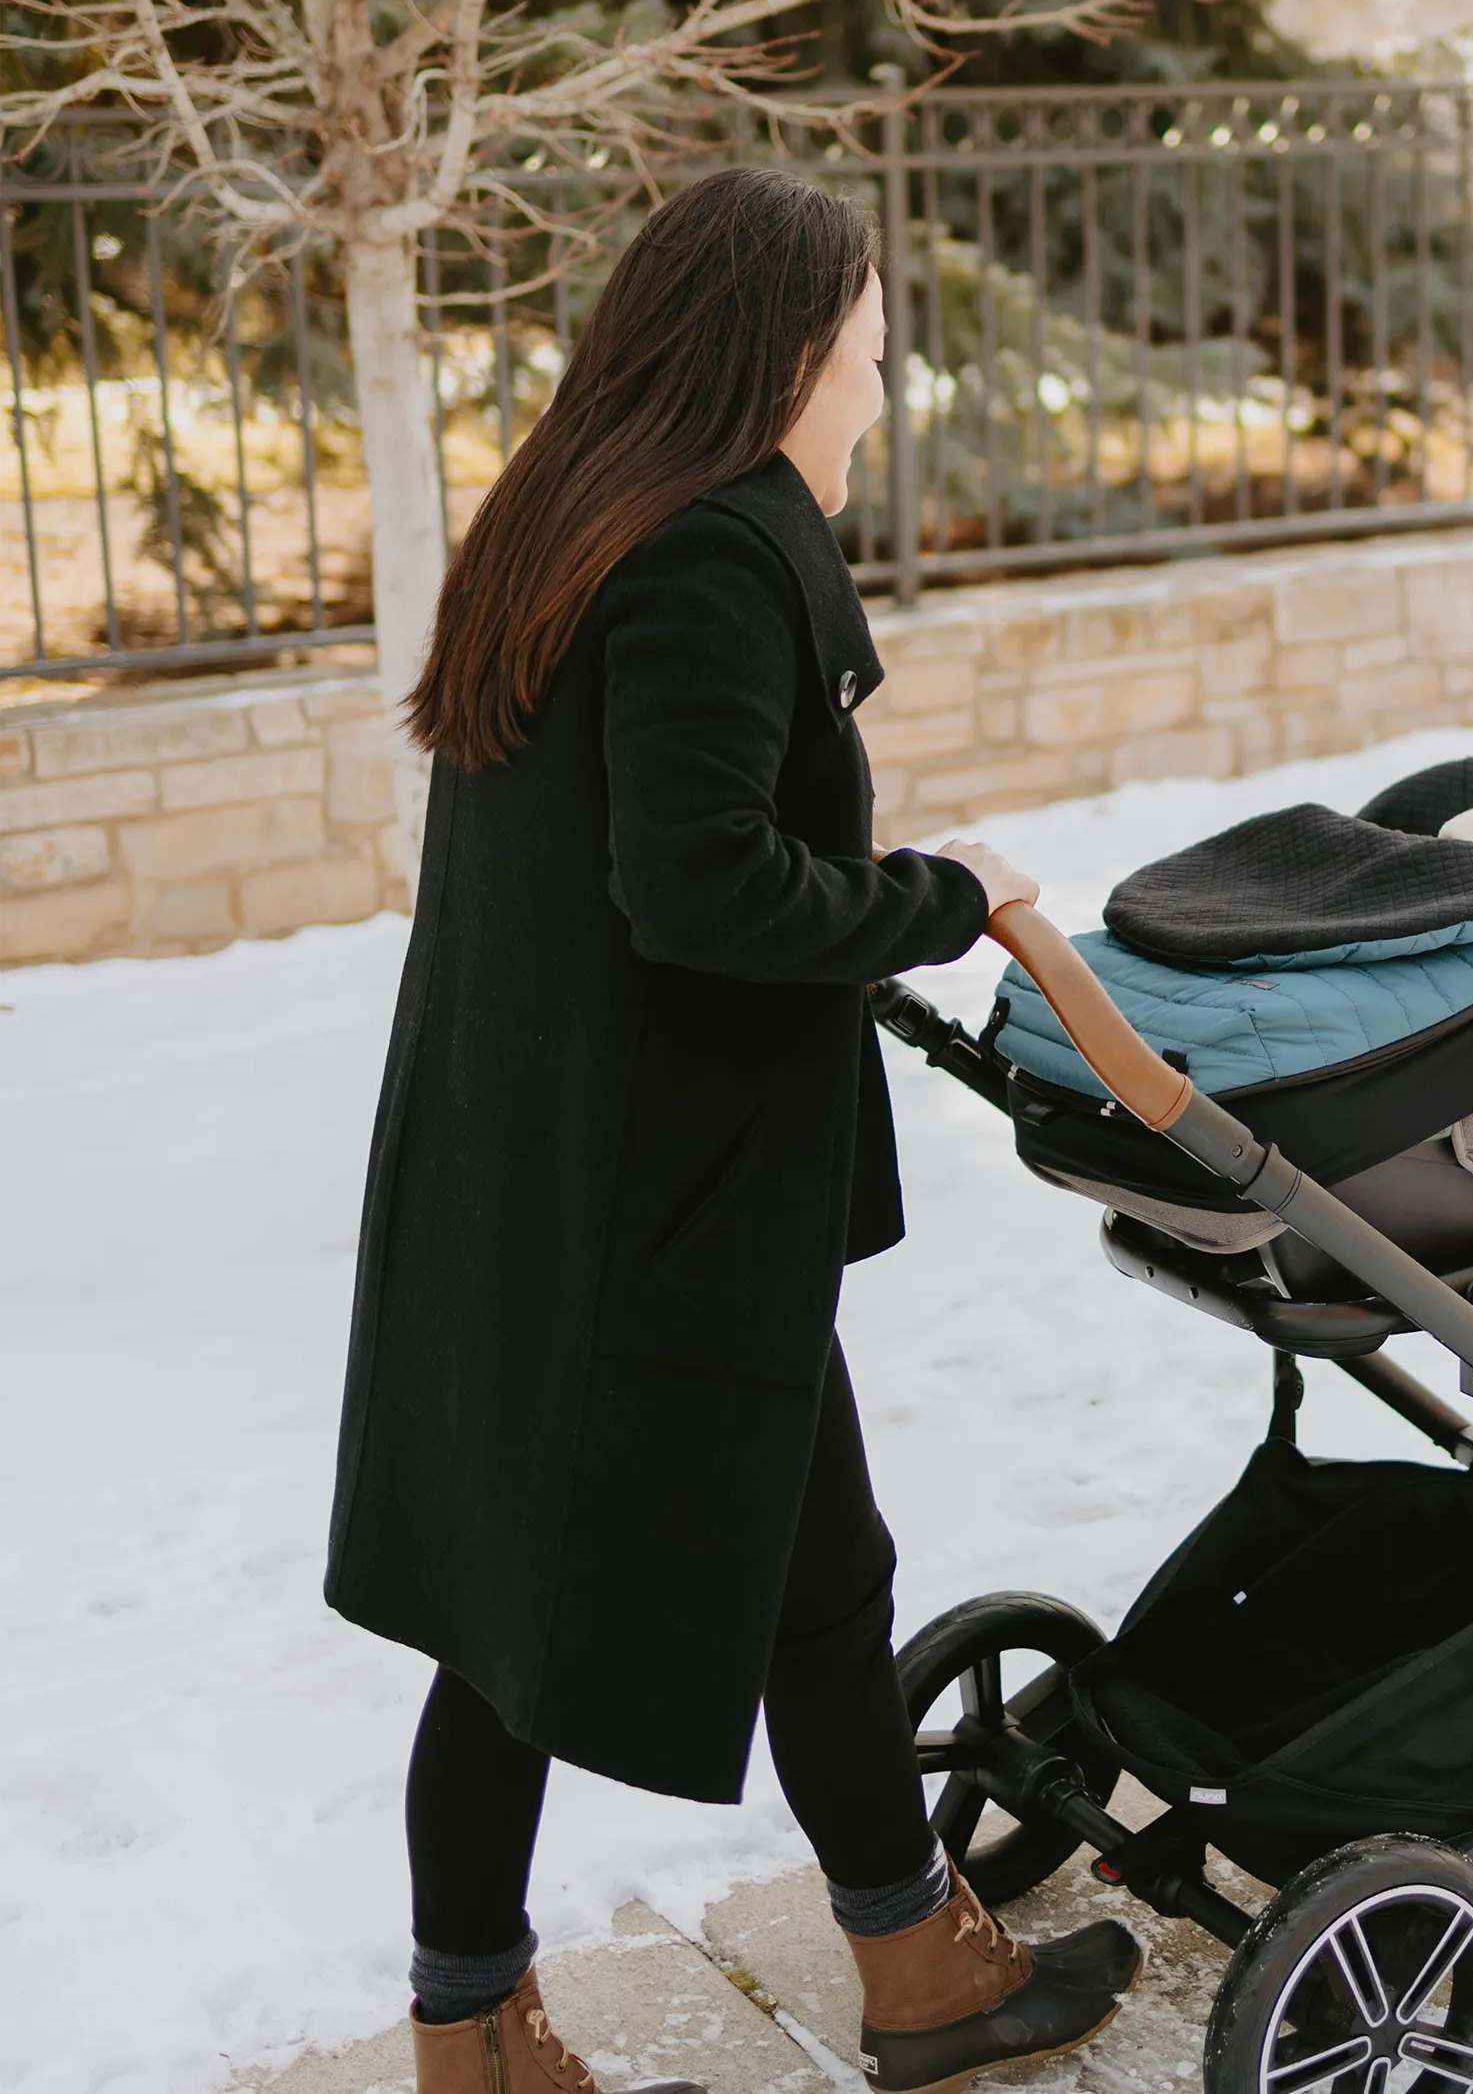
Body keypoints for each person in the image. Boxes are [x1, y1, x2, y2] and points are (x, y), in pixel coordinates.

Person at [325, 165, 1140, 2094]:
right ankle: (521, 2035)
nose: (882, 377)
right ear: (785, 353)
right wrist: (934, 899)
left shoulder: (571, 510)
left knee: (769, 1576)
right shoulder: (703, 549)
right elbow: (694, 889)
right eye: (869, 343)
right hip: (653, 1210)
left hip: (551, 1169)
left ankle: (895, 1965)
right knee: (538, 1624)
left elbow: (651, 844)